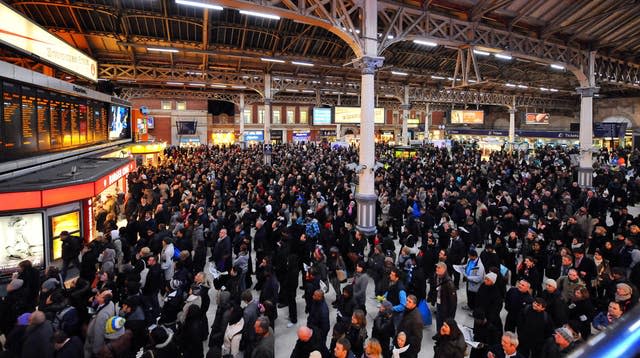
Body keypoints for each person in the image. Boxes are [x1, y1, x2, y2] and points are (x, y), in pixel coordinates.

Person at [84, 289, 116, 358]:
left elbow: (99, 335)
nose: (95, 296)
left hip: (92, 342)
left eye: (98, 295)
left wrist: (96, 351)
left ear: (103, 299)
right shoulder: (110, 303)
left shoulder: (102, 316)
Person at [428, 262, 457, 330]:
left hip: (445, 311)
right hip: (439, 306)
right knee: (439, 324)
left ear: (444, 269)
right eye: (436, 267)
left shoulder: (449, 284)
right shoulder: (438, 277)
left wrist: (450, 318)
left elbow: (453, 303)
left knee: (443, 326)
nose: (436, 269)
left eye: (439, 268)